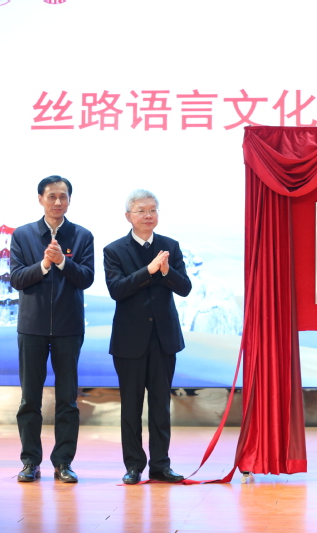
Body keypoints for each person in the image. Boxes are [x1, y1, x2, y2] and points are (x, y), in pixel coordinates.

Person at [10, 175, 94, 483]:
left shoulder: (82, 235)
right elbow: (17, 278)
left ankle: (63, 462)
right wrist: (44, 265)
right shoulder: (23, 235)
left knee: (67, 399)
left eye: (63, 196)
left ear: (69, 200)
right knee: (30, 399)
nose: (58, 202)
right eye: (52, 196)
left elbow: (86, 278)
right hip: (31, 327)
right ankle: (30, 461)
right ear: (40, 199)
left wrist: (62, 262)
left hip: (68, 328)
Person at [103, 190, 191, 484]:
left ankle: (161, 465)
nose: (148, 215)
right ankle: (133, 466)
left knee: (160, 406)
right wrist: (149, 270)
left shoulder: (170, 246)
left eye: (153, 210)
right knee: (131, 407)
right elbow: (117, 290)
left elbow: (185, 288)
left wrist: (166, 272)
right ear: (128, 216)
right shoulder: (114, 250)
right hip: (129, 340)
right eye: (141, 210)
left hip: (163, 339)